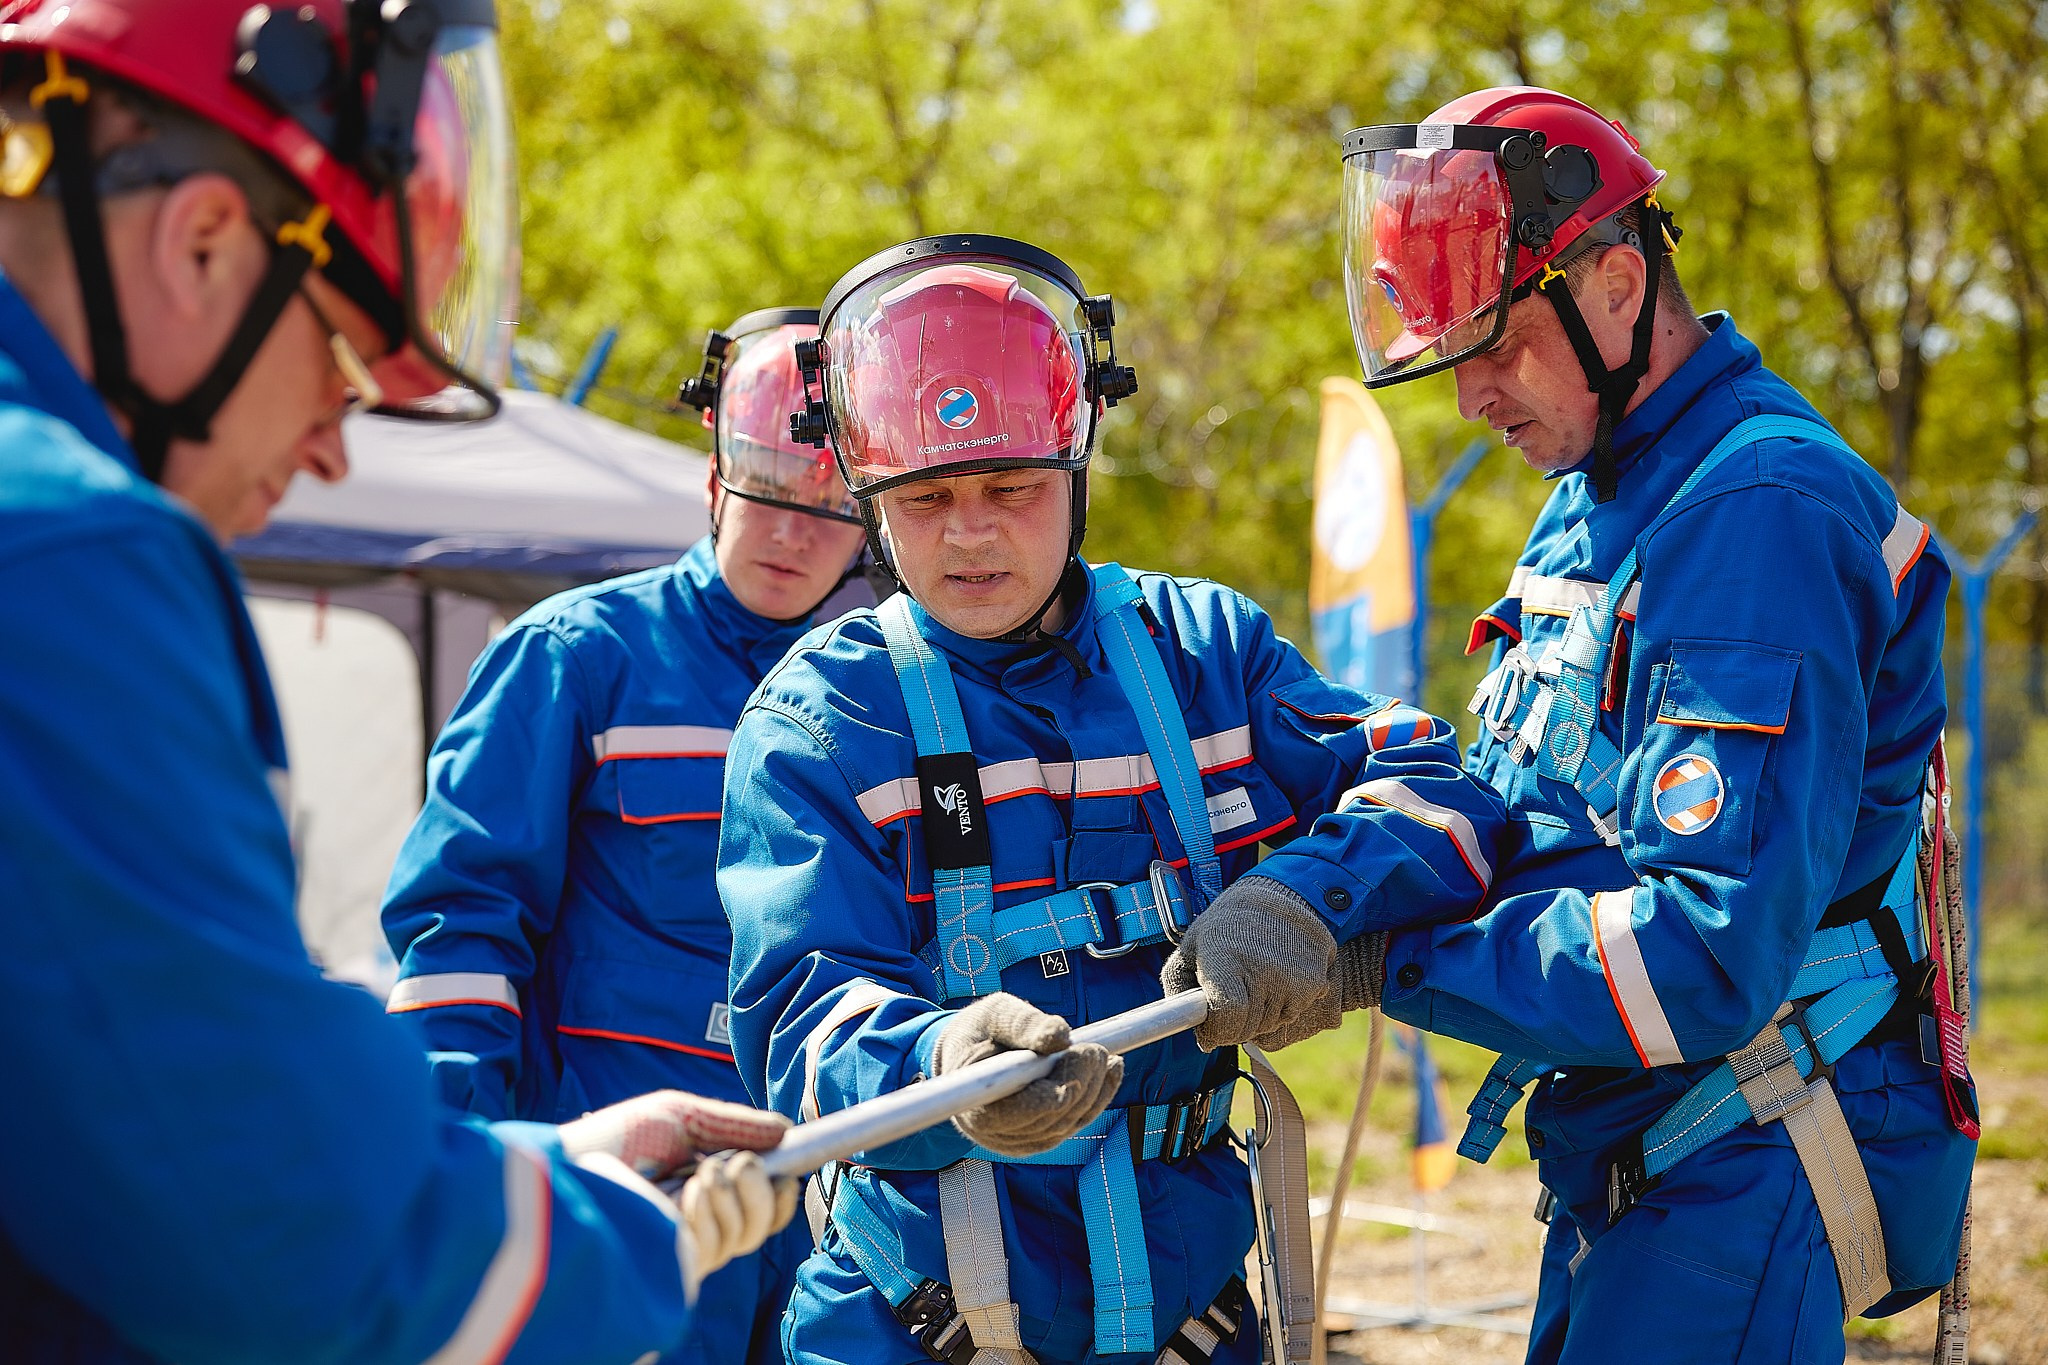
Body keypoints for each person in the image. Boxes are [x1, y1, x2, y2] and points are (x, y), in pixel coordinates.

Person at [0, 3, 795, 1359]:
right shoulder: (70, 555)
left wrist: (497, 1172)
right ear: (201, 243)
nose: (329, 448)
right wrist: (605, 1229)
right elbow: (316, 1250)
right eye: (344, 358)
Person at [1236, 86, 1976, 1362]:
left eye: (1490, 345)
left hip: (1741, 1148)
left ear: (1616, 288)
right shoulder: (1604, 484)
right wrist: (1321, 895)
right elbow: (1511, 790)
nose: (1469, 398)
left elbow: (1699, 954)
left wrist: (1390, 968)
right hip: (1646, 1146)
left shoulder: (1755, 516)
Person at [717, 235, 1507, 1365]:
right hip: (914, 1331)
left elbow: (1440, 789)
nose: (972, 529)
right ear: (870, 498)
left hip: (1195, 1324)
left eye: (1009, 486)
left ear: (1077, 469)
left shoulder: (1207, 657)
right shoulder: (821, 724)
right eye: (928, 495)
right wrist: (937, 1064)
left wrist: (1297, 902)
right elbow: (797, 1009)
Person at [380, 306, 872, 1363]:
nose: (792, 533)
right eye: (769, 495)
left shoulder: (884, 694)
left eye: (829, 506)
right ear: (714, 480)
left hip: (823, 1201)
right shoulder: (574, 654)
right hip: (618, 1181)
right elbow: (461, 924)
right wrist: (458, 1165)